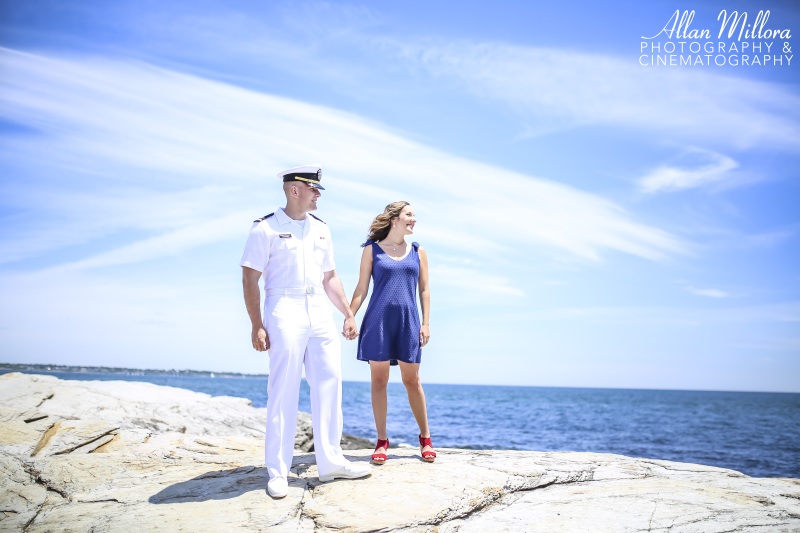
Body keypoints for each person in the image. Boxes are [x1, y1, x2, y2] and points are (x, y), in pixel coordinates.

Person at [240, 164, 371, 499]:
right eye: (313, 189)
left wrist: (348, 313)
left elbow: (330, 277)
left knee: (330, 382)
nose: (318, 195)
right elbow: (250, 278)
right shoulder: (265, 229)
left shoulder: (322, 229)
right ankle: (278, 472)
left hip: (319, 311)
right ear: (294, 189)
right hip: (283, 307)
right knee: (283, 389)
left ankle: (331, 463)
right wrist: (256, 324)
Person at [349, 201, 436, 464]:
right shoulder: (371, 250)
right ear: (394, 219)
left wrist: (426, 323)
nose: (414, 219)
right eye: (409, 215)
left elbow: (424, 290)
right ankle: (382, 440)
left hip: (409, 320)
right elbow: (362, 288)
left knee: (413, 380)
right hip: (378, 321)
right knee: (379, 381)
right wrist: (349, 316)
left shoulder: (418, 251)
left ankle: (425, 438)